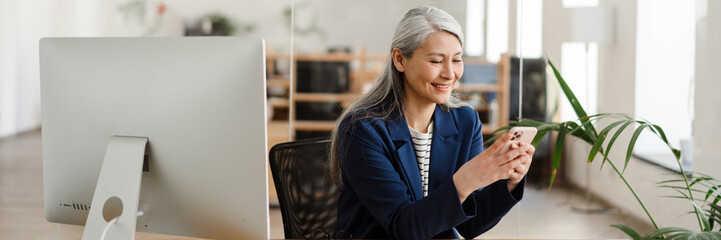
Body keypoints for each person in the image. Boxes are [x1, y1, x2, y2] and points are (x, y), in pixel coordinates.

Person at [329, 5, 536, 240]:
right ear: (399, 60)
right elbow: (402, 226)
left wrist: (510, 180)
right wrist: (465, 180)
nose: (450, 73)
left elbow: (470, 225)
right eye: (436, 61)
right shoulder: (362, 129)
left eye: (457, 60)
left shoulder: (466, 122)